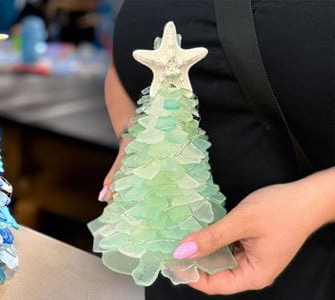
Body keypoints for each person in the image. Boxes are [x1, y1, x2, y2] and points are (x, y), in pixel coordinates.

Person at [99, 0, 334, 299]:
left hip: (313, 276)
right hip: (175, 271)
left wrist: (316, 202)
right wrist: (133, 134)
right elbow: (123, 62)